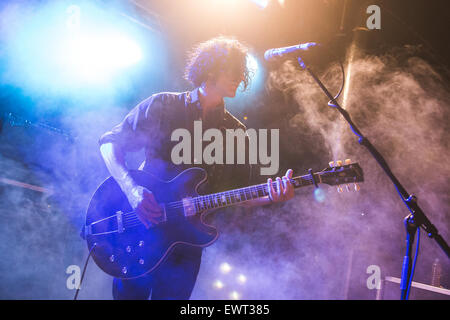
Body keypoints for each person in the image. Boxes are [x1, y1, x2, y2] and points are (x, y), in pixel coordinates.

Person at [98, 36, 295, 300]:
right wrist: (132, 190)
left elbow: (239, 194)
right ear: (210, 69)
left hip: (186, 243)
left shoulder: (235, 131)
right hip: (142, 228)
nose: (240, 77)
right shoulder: (164, 105)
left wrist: (272, 195)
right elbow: (110, 144)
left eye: (242, 72)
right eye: (233, 70)